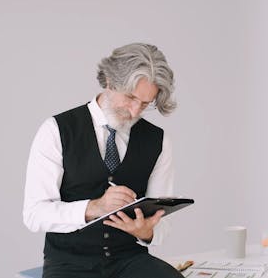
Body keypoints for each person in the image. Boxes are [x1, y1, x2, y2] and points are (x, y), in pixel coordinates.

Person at [23, 43, 183, 278]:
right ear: (109, 81)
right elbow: (34, 214)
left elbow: (161, 220)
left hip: (130, 260)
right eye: (130, 97)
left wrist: (147, 232)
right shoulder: (56, 130)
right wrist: (93, 207)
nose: (136, 111)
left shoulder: (159, 141)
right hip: (70, 264)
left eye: (146, 103)